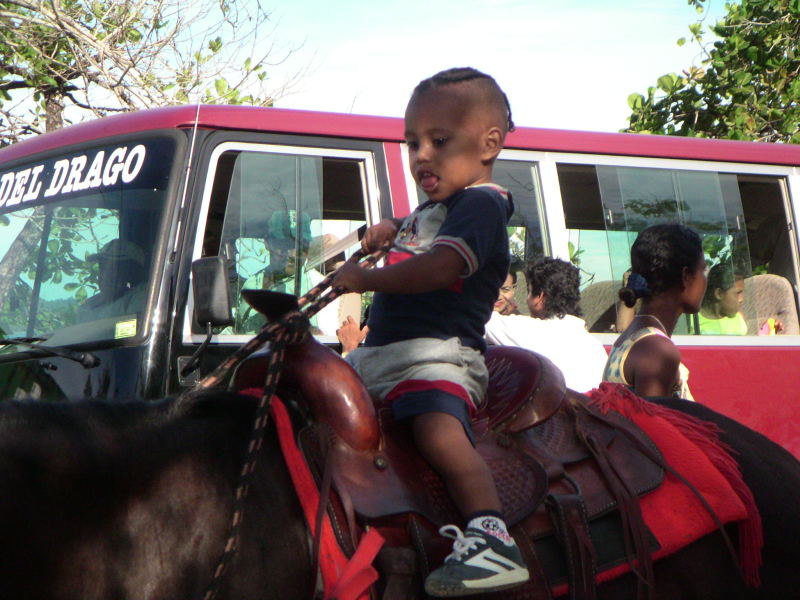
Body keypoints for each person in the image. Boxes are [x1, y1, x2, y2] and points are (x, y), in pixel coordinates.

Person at [333, 67, 529, 596]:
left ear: (489, 143)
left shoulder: (483, 206)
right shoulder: (437, 208)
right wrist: (390, 228)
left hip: (438, 358)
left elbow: (442, 266)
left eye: (438, 141)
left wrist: (364, 277)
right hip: (380, 358)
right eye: (412, 143)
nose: (421, 154)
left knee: (435, 429)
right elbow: (422, 233)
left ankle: (491, 538)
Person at [603, 223, 708, 400]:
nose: (706, 279)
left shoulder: (634, 336)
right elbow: (653, 427)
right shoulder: (657, 350)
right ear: (686, 276)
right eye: (703, 269)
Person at [485, 258, 608, 393]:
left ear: (540, 297)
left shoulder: (529, 332)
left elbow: (477, 319)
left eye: (530, 291)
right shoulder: (595, 346)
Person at [697, 263, 784, 335]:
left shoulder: (738, 319)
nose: (741, 299)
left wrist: (767, 332)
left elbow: (746, 351)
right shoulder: (694, 322)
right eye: (737, 293)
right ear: (719, 294)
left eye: (742, 292)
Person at [77, 239, 147, 322]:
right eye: (101, 267)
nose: (103, 274)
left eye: (112, 268)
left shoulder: (142, 298)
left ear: (130, 272)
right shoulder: (88, 306)